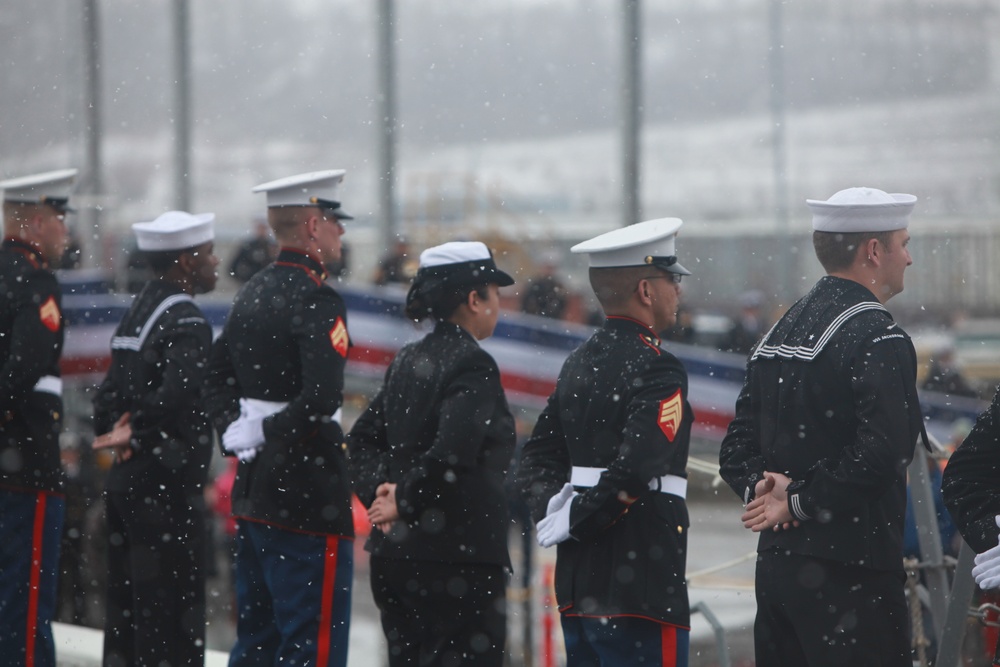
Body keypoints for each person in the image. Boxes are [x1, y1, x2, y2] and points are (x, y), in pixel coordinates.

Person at [718, 187, 928, 666]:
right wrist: (800, 501)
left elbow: (737, 446)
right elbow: (885, 452)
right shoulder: (878, 335)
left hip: (778, 572)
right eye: (904, 243)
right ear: (874, 251)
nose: (910, 258)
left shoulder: (779, 329)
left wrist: (765, 490)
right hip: (853, 574)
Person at [518, 217, 694, 666]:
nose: (680, 290)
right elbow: (639, 466)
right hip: (642, 583)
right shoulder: (659, 367)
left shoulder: (579, 361)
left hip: (581, 581)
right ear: (646, 291)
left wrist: (552, 511)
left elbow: (538, 456)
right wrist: (575, 516)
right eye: (672, 279)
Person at [203, 169, 355, 666]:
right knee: (313, 646)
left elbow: (216, 374)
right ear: (313, 226)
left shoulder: (253, 290)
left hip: (256, 490)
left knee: (258, 641)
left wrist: (238, 430)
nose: (342, 232)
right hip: (308, 492)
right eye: (335, 221)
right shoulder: (316, 297)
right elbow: (321, 396)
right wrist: (261, 429)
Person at [348, 241, 517, 666]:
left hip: (397, 557)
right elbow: (453, 454)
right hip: (457, 560)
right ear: (475, 300)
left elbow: (361, 441)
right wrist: (401, 500)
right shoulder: (473, 364)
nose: (500, 303)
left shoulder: (408, 358)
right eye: (494, 293)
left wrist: (382, 497)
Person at [90, 210, 219, 665]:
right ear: (186, 261)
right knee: (172, 623)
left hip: (128, 485)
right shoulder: (186, 319)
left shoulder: (138, 311)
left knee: (127, 620)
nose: (216, 261)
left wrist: (116, 433)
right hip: (166, 490)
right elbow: (178, 394)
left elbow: (107, 394)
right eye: (207, 253)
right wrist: (137, 432)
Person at [0, 168, 76, 667]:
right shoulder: (35, 281)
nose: (65, 233)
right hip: (23, 463)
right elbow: (23, 369)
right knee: (24, 610)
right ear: (38, 221)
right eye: (60, 220)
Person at [228, 218, 277, 284]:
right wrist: (244, 279)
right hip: (251, 283)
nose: (262, 231)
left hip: (268, 284)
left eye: (264, 228)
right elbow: (232, 267)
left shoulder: (272, 245)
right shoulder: (248, 246)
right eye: (260, 228)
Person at [520, 254, 568, 319]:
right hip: (533, 321)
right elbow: (526, 303)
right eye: (547, 267)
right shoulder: (533, 285)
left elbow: (562, 306)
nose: (549, 271)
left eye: (551, 268)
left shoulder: (558, 287)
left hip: (551, 322)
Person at [719, 289, 765, 355]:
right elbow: (724, 347)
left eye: (754, 309)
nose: (751, 313)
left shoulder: (763, 327)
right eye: (748, 309)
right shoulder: (734, 327)